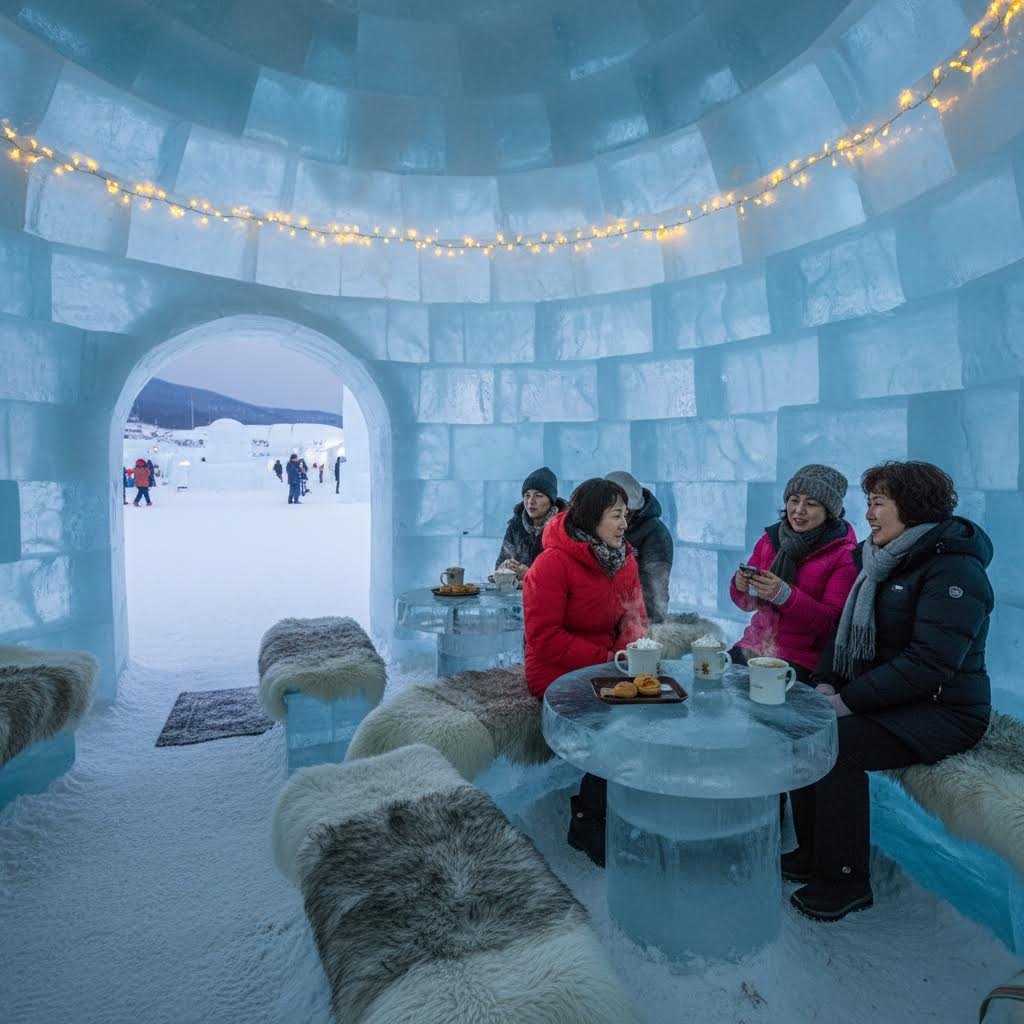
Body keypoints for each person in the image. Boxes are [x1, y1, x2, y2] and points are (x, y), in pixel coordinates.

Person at [786, 461, 993, 922]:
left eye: (878, 503)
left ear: (912, 509)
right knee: (805, 725)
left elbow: (929, 664)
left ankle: (844, 879)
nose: (869, 514)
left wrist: (847, 703)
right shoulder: (880, 559)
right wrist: (825, 682)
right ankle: (812, 852)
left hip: (945, 711)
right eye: (869, 503)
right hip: (893, 698)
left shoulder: (954, 572)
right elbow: (844, 633)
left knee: (838, 745)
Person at [523, 478, 648, 867]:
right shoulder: (553, 563)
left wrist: (627, 650)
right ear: (592, 518)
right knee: (617, 722)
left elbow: (635, 616)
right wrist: (605, 658)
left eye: (626, 515)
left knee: (653, 710)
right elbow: (544, 637)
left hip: (607, 664)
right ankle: (589, 820)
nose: (624, 524)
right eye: (616, 515)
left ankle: (624, 809)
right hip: (558, 668)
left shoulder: (623, 560)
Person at [729, 464, 857, 681]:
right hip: (753, 645)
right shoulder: (771, 539)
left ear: (829, 511)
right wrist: (740, 585)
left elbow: (832, 625)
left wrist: (785, 596)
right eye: (794, 499)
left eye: (811, 503)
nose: (799, 510)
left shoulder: (844, 554)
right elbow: (748, 605)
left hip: (801, 660)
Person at [605, 471, 674, 623]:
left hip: (635, 621)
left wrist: (645, 630)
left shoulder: (655, 534)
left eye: (625, 513)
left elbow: (656, 588)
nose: (621, 520)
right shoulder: (600, 527)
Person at [495, 467, 567, 579]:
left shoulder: (564, 527)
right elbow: (499, 567)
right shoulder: (516, 526)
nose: (531, 501)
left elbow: (566, 576)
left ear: (551, 500)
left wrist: (530, 574)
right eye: (527, 495)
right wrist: (505, 568)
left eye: (538, 496)